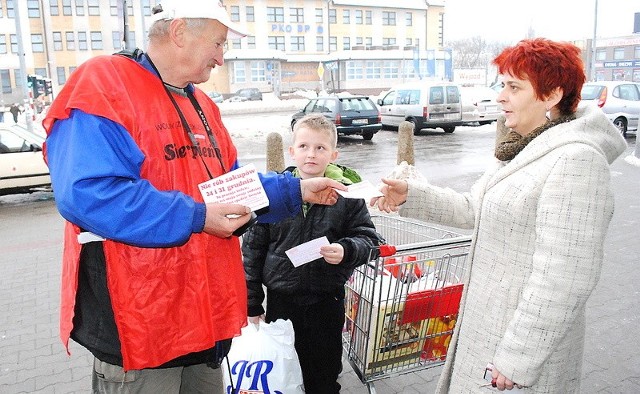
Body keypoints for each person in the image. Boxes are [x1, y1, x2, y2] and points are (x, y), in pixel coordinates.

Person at [41, 1, 346, 393]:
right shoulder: (104, 84)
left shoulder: (202, 105)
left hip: (205, 319)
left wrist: (297, 189)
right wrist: (198, 217)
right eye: (218, 43)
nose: (222, 57)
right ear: (180, 31)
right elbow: (90, 194)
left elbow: (231, 186)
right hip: (142, 326)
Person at [372, 38, 627, 393]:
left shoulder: (576, 160)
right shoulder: (523, 147)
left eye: (514, 87)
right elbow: (475, 209)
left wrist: (518, 358)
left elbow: (567, 275)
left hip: (514, 353)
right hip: (488, 328)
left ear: (551, 95)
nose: (500, 96)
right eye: (502, 84)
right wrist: (412, 195)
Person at [243, 113, 382, 393]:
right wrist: (252, 303)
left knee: (323, 372)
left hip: (326, 300)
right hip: (281, 302)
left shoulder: (348, 196)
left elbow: (370, 239)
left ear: (333, 153)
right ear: (292, 151)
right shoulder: (273, 195)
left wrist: (346, 249)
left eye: (320, 148)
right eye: (304, 147)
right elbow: (252, 251)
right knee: (283, 369)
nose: (311, 155)